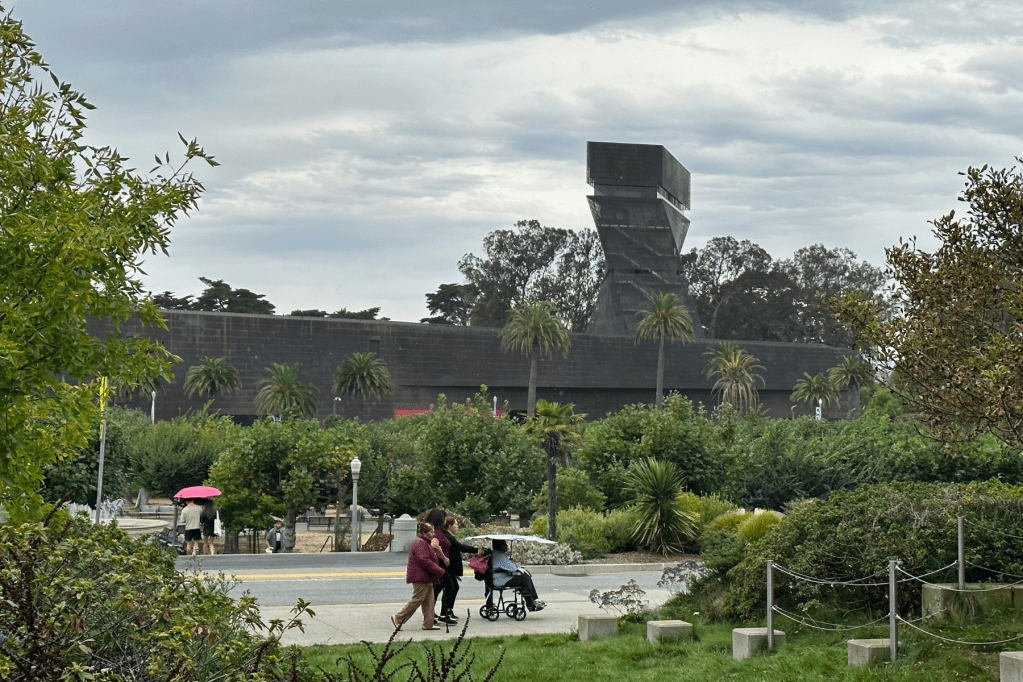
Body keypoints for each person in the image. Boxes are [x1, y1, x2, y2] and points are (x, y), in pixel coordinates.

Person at [392, 521, 446, 631]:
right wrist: (439, 570)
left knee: (429, 601)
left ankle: (428, 624)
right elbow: (424, 560)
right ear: (424, 532)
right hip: (420, 577)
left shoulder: (425, 543)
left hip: (426, 577)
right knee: (418, 599)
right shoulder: (420, 543)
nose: (433, 534)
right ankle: (398, 617)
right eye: (430, 532)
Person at [438, 515, 484, 624]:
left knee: (453, 587)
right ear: (450, 526)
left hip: (449, 567)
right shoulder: (448, 536)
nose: (457, 527)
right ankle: (445, 613)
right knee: (451, 588)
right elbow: (461, 547)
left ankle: (447, 611)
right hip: (447, 567)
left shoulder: (448, 536)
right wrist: (477, 550)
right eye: (456, 525)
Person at [491, 539, 545, 611]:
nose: (507, 546)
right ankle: (532, 602)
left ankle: (532, 601)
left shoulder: (495, 553)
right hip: (500, 580)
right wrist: (519, 568)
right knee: (524, 578)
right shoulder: (499, 556)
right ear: (500, 545)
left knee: (523, 578)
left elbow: (508, 565)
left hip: (498, 578)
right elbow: (512, 567)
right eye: (505, 544)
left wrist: (516, 567)